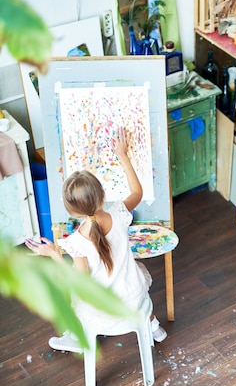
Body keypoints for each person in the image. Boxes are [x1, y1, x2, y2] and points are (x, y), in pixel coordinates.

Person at [25, 127, 167, 352]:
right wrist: (123, 155)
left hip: (106, 312)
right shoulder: (119, 214)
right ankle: (154, 327)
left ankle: (77, 338)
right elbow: (137, 192)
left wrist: (53, 254)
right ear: (103, 192)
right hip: (136, 297)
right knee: (133, 271)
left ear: (72, 211)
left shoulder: (76, 242)